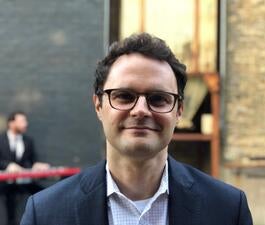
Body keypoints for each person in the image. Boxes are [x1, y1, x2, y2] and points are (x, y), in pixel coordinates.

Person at [20, 33, 253, 225]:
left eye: (158, 98)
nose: (141, 110)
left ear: (179, 110)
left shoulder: (228, 210)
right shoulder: (44, 214)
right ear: (98, 105)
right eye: (124, 96)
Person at [0, 111, 50, 225]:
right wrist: (8, 165)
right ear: (11, 123)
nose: (25, 124)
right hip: (4, 183)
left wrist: (37, 165)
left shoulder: (28, 141)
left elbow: (32, 161)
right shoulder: (1, 140)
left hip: (23, 181)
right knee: (9, 197)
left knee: (43, 193)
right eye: (22, 121)